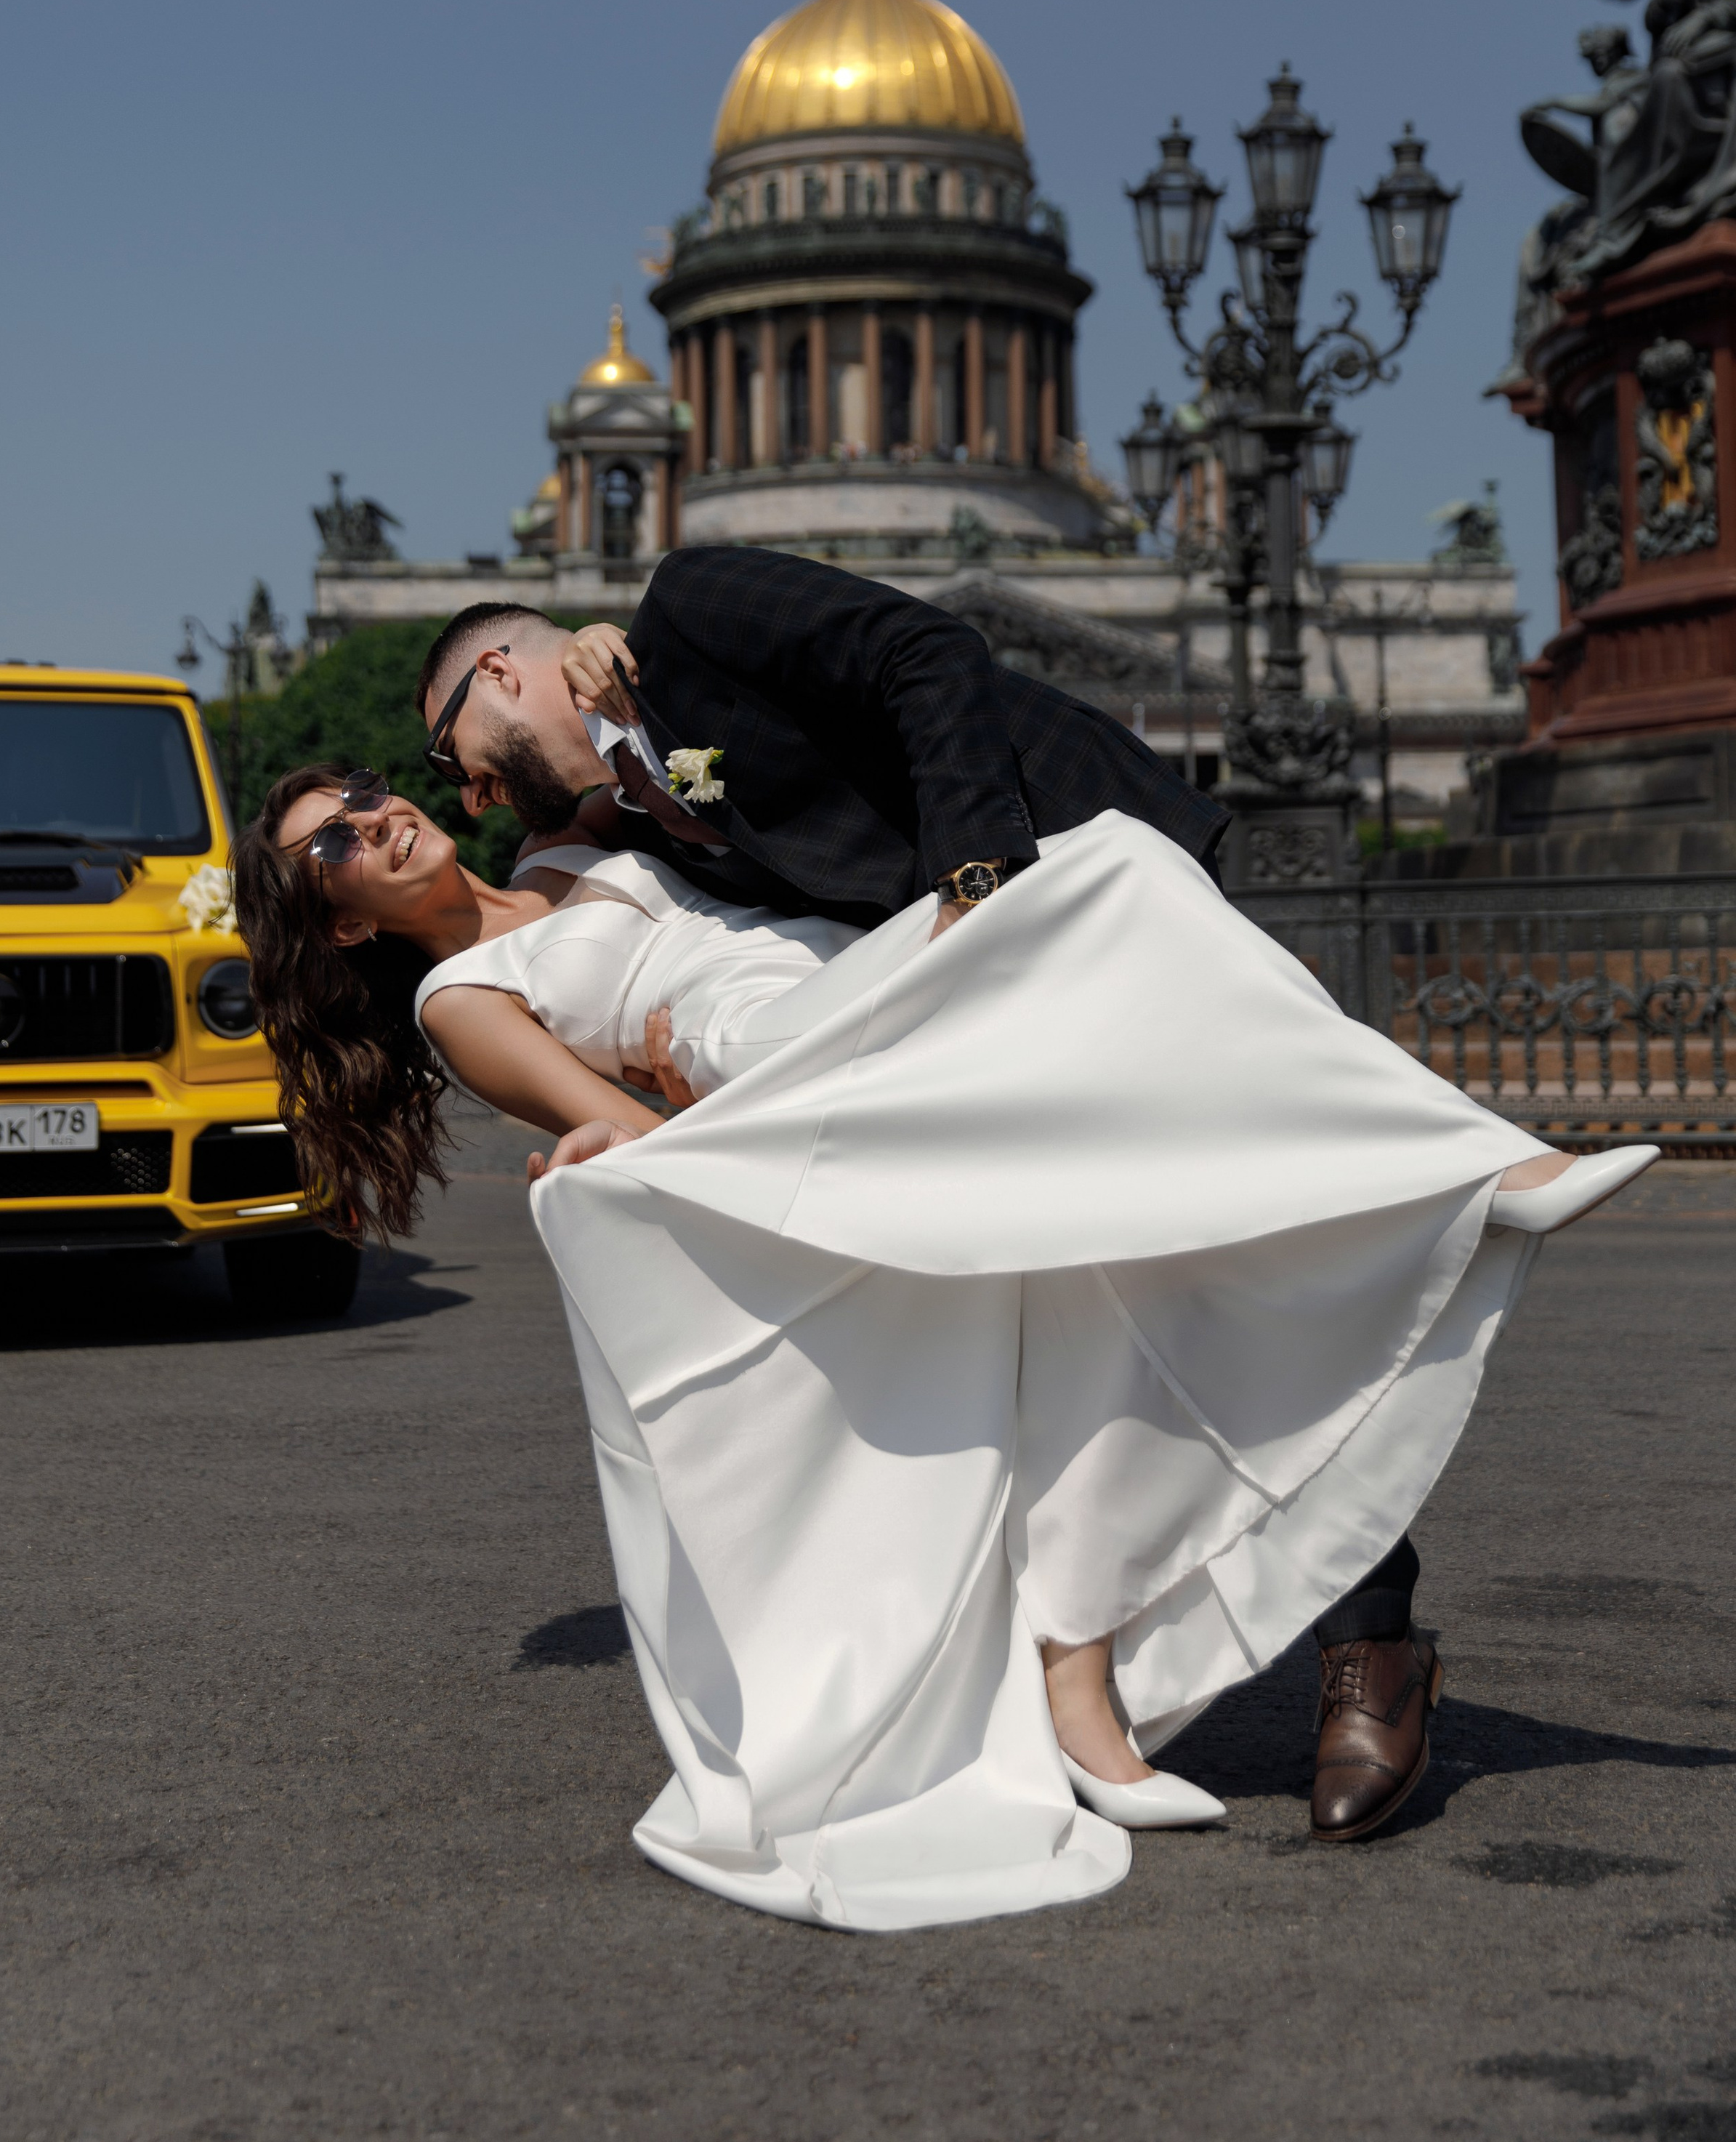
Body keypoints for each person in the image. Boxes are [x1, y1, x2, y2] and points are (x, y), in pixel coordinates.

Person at [233, 748, 1655, 1933]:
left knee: (1125, 1013)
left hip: (876, 978)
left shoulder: (569, 845)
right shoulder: (455, 1000)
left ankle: (1084, 1671)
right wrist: (604, 1142)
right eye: (335, 848)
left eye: (365, 795)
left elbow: (640, 743)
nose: (374, 820)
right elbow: (650, 1129)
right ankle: (1469, 1169)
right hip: (801, 1059)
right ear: (342, 926)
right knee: (1113, 870)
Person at [409, 555, 1566, 1840]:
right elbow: (710, 921)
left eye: (449, 742)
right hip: (962, 1003)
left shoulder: (686, 613)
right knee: (1174, 1276)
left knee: (1236, 1242)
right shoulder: (620, 801)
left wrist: (974, 880)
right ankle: (1354, 1615)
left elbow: (929, 655)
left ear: (499, 669)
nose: (459, 789)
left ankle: (1370, 1612)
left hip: (1057, 873)